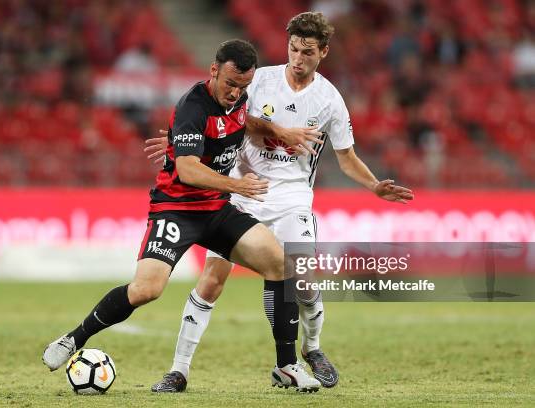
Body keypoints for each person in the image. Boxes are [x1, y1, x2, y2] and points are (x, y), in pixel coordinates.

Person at [145, 12, 414, 392]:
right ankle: (179, 370)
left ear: (323, 52)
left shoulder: (330, 100)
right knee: (212, 281)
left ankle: (313, 349)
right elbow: (226, 113)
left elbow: (346, 156)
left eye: (307, 51)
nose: (297, 58)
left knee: (301, 278)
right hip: (242, 188)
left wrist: (373, 186)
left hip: (292, 198)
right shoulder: (261, 81)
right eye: (292, 48)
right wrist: (181, 141)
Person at [42, 39, 325, 392]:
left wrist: (277, 130)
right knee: (147, 289)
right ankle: (73, 338)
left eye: (243, 87)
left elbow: (244, 121)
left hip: (216, 209)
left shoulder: (238, 100)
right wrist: (236, 186)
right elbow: (189, 170)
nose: (235, 93)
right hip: (176, 209)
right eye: (230, 84)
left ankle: (286, 366)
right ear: (213, 71)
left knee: (280, 264)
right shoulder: (193, 106)